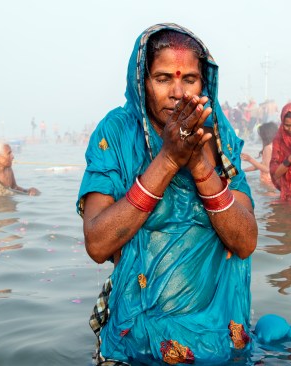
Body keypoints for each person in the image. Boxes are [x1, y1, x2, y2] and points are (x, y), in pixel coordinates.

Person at [77, 24, 267, 364]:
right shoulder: (117, 133)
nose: (178, 92)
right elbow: (98, 243)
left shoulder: (219, 135)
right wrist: (168, 158)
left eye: (189, 79)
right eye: (163, 78)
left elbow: (245, 241)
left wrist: (197, 163)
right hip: (137, 345)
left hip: (220, 342)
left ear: (203, 83)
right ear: (142, 82)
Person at [241, 122, 278, 186]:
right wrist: (243, 170)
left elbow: (267, 169)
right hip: (274, 180)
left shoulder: (268, 148)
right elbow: (262, 164)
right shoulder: (276, 147)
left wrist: (250, 159)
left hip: (267, 181)